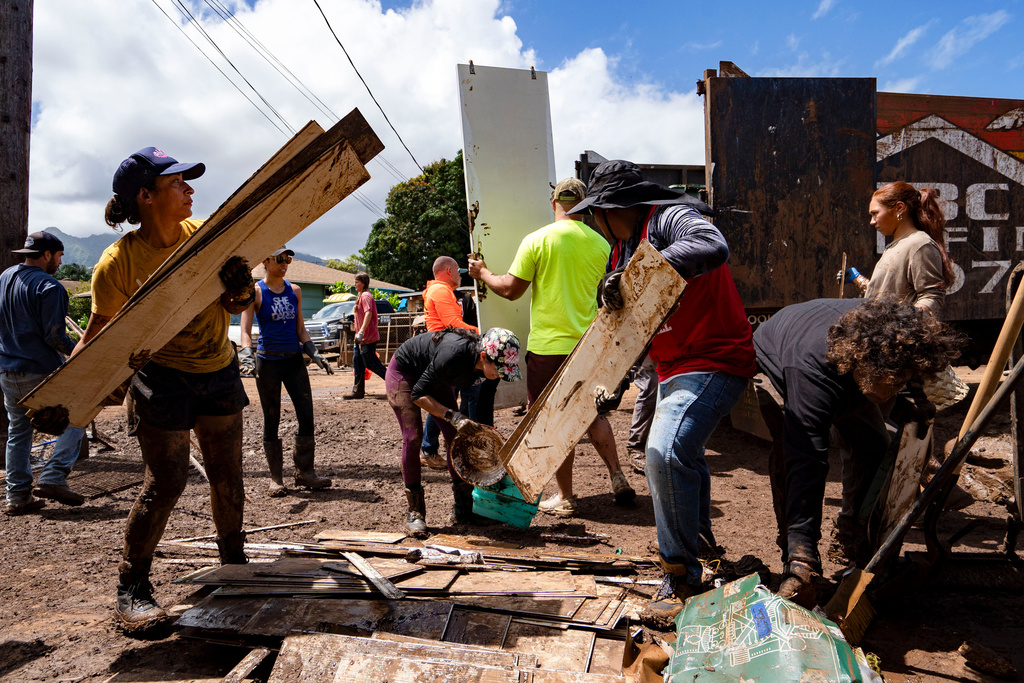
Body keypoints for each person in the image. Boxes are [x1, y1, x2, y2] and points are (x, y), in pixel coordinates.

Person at [567, 160, 756, 625]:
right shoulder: (620, 250)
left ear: (615, 208)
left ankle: (681, 573)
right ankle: (704, 548)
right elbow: (629, 325)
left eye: (597, 213)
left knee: (664, 451)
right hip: (673, 366)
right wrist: (615, 379)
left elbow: (712, 244)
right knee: (684, 455)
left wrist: (645, 272)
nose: (594, 222)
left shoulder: (668, 219)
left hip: (716, 358)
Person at [75, 147, 254, 632]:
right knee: (167, 481)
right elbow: (96, 338)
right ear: (146, 196)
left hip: (217, 368)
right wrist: (63, 399)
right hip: (161, 379)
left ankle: (233, 568)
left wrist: (242, 289)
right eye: (178, 183)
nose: (190, 189)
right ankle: (131, 588)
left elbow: (239, 304)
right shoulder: (118, 263)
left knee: (226, 474)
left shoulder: (207, 237)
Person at [753, 296, 963, 607]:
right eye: (881, 381)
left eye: (896, 383)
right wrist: (803, 558)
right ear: (860, 360)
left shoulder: (897, 343)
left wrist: (913, 404)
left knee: (876, 445)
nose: (888, 389)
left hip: (847, 364)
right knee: (794, 452)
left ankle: (856, 542)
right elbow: (807, 460)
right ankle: (796, 555)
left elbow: (891, 388)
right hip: (777, 357)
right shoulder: (811, 368)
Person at [468, 178, 634, 516]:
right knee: (593, 412)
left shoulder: (538, 240)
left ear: (553, 201)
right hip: (588, 344)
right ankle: (617, 474)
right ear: (585, 206)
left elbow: (510, 290)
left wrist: (483, 273)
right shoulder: (602, 244)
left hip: (547, 348)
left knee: (555, 422)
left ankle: (566, 497)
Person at [387, 326, 520, 536]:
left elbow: (484, 412)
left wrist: (485, 438)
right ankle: (415, 511)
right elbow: (418, 395)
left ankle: (464, 508)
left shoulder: (490, 372)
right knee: (413, 438)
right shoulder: (453, 355)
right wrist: (453, 416)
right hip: (406, 372)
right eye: (500, 370)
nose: (501, 375)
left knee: (457, 438)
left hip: (437, 375)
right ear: (484, 356)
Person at [0, 231, 87, 514]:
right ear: (48, 255)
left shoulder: (5, 278)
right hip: (39, 370)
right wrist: (82, 353)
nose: (60, 263)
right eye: (60, 257)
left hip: (7, 370)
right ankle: (53, 476)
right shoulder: (50, 287)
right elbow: (56, 338)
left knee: (19, 432)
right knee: (79, 414)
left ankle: (17, 497)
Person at [240, 246, 334, 497]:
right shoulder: (256, 292)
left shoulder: (295, 291)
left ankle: (305, 473)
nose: (285, 263)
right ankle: (276, 479)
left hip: (293, 361)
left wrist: (314, 353)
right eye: (280, 259)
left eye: (288, 259)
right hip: (267, 362)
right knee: (272, 419)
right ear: (265, 261)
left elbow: (301, 329)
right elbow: (245, 331)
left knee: (306, 415)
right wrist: (246, 354)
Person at [847, 182, 954, 316]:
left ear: (899, 208)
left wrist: (905, 325)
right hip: (879, 334)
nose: (872, 221)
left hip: (896, 335)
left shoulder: (919, 244)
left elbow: (932, 296)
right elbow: (890, 295)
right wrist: (858, 279)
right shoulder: (899, 244)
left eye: (875, 214)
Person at [420, 256, 479, 469]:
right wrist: (483, 334)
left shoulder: (438, 291)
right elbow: (453, 324)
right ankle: (430, 450)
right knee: (443, 403)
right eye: (457, 270)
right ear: (448, 271)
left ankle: (431, 449)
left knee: (444, 401)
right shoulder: (442, 291)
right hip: (445, 354)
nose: (460, 274)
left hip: (446, 352)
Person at [343, 272, 390, 400]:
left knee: (371, 363)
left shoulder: (366, 296)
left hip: (366, 337)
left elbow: (368, 313)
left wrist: (361, 331)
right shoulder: (361, 296)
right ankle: (358, 391)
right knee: (357, 363)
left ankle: (396, 384)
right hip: (360, 339)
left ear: (363, 283)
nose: (354, 284)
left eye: (357, 282)